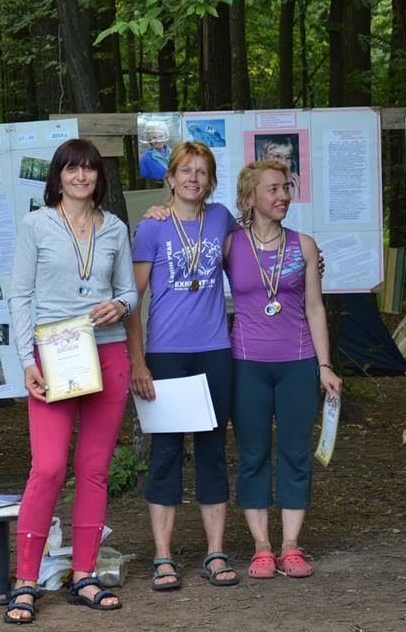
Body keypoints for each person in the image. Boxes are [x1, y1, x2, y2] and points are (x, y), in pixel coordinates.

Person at [6, 138, 137, 622]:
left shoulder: (115, 229)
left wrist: (120, 305)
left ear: (99, 177)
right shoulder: (36, 225)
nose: (81, 177)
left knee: (96, 466)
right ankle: (25, 580)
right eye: (72, 169)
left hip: (107, 354)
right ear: (58, 176)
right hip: (55, 353)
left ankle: (83, 574)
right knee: (48, 467)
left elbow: (128, 292)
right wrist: (27, 361)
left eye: (89, 170)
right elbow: (20, 297)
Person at [127, 141, 240, 591]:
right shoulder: (151, 228)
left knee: (213, 451)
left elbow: (250, 261)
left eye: (202, 172)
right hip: (167, 353)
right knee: (166, 454)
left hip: (215, 350)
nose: (193, 178)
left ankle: (215, 552)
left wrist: (305, 261)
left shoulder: (221, 219)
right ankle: (163, 556)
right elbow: (130, 301)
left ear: (211, 181)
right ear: (170, 178)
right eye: (185, 170)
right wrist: (138, 361)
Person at [223, 159, 342, 579]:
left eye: (286, 189)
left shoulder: (304, 245)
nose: (282, 196)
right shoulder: (229, 244)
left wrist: (324, 365)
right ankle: (261, 546)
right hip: (246, 365)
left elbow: (314, 308)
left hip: (297, 364)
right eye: (272, 189)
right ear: (250, 197)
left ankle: (291, 546)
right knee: (253, 454)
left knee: (295, 454)